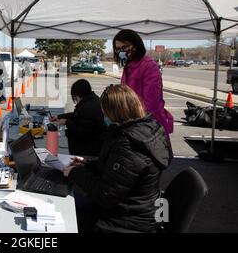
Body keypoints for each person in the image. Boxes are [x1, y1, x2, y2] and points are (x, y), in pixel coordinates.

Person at [64, 84, 172, 233]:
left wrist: (75, 172)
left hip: (127, 221)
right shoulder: (144, 129)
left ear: (115, 113)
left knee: (65, 212)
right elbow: (120, 172)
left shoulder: (130, 145)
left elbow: (105, 195)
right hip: (136, 209)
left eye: (105, 113)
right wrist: (87, 164)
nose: (103, 117)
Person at [113, 29, 174, 137]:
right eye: (118, 49)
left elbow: (152, 104)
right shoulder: (128, 67)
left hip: (149, 128)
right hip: (131, 125)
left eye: (125, 47)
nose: (121, 51)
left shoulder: (149, 66)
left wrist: (134, 125)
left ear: (136, 45)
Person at [50, 79, 105, 156]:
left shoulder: (88, 107)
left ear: (78, 94)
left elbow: (82, 132)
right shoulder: (92, 100)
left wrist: (67, 122)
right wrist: (59, 116)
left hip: (88, 151)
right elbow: (77, 115)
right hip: (91, 147)